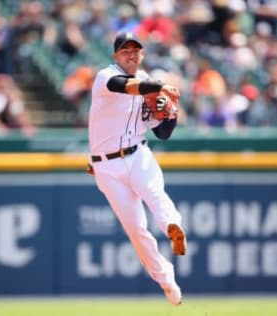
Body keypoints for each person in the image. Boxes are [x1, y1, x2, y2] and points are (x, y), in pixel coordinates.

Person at [87, 31, 187, 306]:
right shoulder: (105, 77)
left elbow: (163, 133)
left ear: (142, 54)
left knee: (156, 194)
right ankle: (167, 281)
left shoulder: (149, 85)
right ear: (115, 55)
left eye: (135, 50)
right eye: (125, 51)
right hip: (107, 166)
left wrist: (171, 113)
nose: (131, 54)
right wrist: (160, 88)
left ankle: (173, 226)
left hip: (138, 153)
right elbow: (127, 86)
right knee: (136, 229)